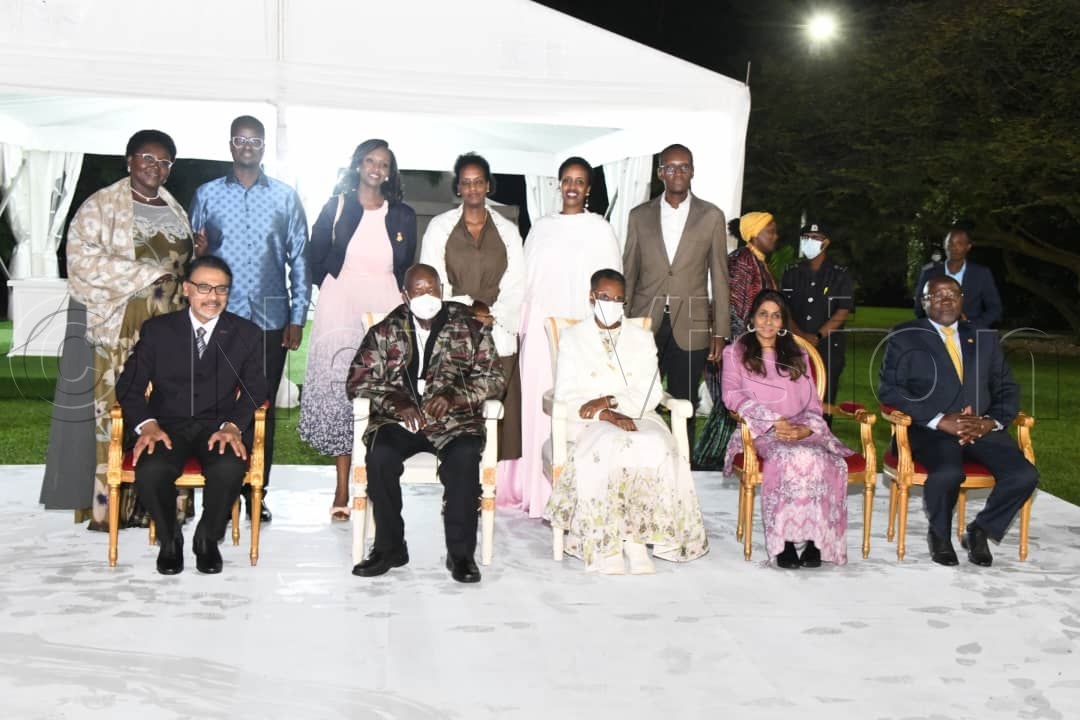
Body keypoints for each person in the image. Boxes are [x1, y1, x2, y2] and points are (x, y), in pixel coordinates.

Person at [42, 129, 193, 531]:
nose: (155, 167)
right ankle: (113, 507)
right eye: (147, 158)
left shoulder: (174, 207)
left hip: (171, 325)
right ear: (129, 160)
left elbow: (181, 264)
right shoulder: (102, 205)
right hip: (123, 325)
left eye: (164, 162)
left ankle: (158, 503)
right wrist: (147, 274)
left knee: (167, 406)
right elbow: (81, 262)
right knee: (121, 408)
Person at [346, 264, 505, 583]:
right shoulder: (385, 331)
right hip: (399, 420)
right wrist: (396, 400)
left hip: (453, 421)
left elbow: (495, 379)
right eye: (418, 291)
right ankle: (390, 547)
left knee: (465, 457)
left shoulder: (471, 328)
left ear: (442, 292)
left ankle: (461, 555)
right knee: (380, 456)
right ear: (405, 296)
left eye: (431, 290)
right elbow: (357, 381)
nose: (426, 297)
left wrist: (456, 395)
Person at [188, 114, 311, 523]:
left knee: (260, 409)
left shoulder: (284, 197)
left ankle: (256, 491)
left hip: (269, 319)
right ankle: (218, 493)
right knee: (213, 403)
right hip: (217, 317)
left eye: (255, 140)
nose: (247, 146)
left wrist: (297, 316)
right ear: (230, 145)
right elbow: (192, 260)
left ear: (263, 148)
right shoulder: (206, 195)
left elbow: (300, 260)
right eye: (240, 139)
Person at [545, 269, 709, 574]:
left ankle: (635, 540)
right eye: (605, 297)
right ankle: (607, 545)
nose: (611, 303)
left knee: (654, 443)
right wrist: (603, 413)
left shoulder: (642, 337)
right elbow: (567, 392)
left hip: (636, 413)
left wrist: (612, 402)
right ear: (591, 297)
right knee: (612, 444)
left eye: (618, 299)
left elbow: (651, 390)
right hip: (590, 420)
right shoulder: (573, 338)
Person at [115, 256, 269, 575]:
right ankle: (170, 540)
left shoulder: (247, 333)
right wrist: (148, 424)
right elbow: (128, 386)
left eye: (221, 289)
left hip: (217, 428)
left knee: (228, 467)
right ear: (187, 289)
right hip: (166, 427)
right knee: (152, 469)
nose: (212, 296)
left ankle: (207, 539)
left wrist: (233, 426)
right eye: (203, 287)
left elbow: (256, 387)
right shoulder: (158, 331)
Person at [879, 276, 1038, 567]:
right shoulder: (905, 336)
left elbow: (1007, 389)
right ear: (923, 302)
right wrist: (939, 420)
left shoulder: (983, 336)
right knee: (948, 473)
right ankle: (939, 535)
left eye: (952, 293)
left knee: (1024, 475)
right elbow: (892, 390)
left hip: (981, 429)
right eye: (936, 295)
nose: (946, 299)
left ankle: (980, 530)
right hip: (931, 430)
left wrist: (989, 422)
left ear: (962, 298)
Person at [300, 139, 417, 521]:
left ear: (390, 172)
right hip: (340, 300)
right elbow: (313, 255)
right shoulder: (336, 205)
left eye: (383, 163)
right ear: (357, 165)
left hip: (385, 299)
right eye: (370, 160)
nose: (376, 168)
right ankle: (341, 486)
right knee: (341, 392)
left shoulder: (403, 214)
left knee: (382, 390)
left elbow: (406, 265)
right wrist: (335, 286)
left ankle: (378, 482)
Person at [500, 156, 621, 517]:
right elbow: (525, 281)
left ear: (588, 188)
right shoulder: (540, 227)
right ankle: (537, 491)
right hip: (539, 330)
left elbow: (612, 286)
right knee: (539, 406)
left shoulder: (601, 228)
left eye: (580, 181)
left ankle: (578, 493)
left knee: (576, 407)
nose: (572, 187)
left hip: (582, 333)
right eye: (567, 180)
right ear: (559, 185)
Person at [722, 289, 853, 568]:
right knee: (789, 458)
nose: (769, 322)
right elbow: (731, 396)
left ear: (783, 322)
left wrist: (806, 429)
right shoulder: (735, 352)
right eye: (763, 314)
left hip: (801, 427)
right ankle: (787, 543)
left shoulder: (797, 353)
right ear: (752, 319)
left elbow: (812, 402)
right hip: (761, 430)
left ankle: (816, 541)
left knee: (821, 458)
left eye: (776, 316)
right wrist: (773, 420)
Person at [623, 143, 730, 454]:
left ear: (693, 171)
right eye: (671, 167)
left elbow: (720, 276)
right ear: (660, 173)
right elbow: (629, 272)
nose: (678, 172)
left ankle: (684, 469)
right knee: (638, 396)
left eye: (684, 166)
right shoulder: (639, 216)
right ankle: (642, 461)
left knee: (684, 401)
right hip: (644, 321)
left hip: (693, 322)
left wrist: (720, 331)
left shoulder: (711, 216)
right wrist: (623, 326)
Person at [419, 152, 524, 467]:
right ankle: (457, 484)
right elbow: (431, 281)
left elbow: (518, 283)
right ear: (458, 188)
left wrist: (493, 315)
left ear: (488, 185)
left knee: (493, 415)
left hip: (497, 330)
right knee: (456, 415)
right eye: (466, 183)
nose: (473, 189)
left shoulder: (508, 230)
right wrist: (468, 308)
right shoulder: (439, 228)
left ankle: (489, 488)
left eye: (479, 182)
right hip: (454, 334)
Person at [693, 210, 778, 469]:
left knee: (736, 408)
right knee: (729, 407)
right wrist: (746, 348)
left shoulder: (759, 262)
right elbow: (729, 310)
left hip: (750, 347)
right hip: (730, 348)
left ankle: (728, 458)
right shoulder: (740, 262)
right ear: (753, 233)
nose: (776, 236)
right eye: (770, 231)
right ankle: (710, 460)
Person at [781, 221, 855, 422]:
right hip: (794, 346)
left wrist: (818, 335)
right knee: (791, 398)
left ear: (826, 242)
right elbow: (783, 307)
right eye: (806, 238)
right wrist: (800, 335)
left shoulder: (839, 274)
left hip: (828, 347)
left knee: (824, 400)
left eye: (815, 238)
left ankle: (822, 445)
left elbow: (843, 310)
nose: (809, 242)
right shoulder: (791, 272)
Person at [913, 225, 1002, 328]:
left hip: (970, 334)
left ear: (968, 247)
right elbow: (919, 307)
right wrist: (934, 325)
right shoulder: (929, 273)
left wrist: (973, 325)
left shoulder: (981, 273)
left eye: (959, 243)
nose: (953, 248)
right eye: (950, 243)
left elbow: (995, 308)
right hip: (937, 334)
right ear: (944, 245)